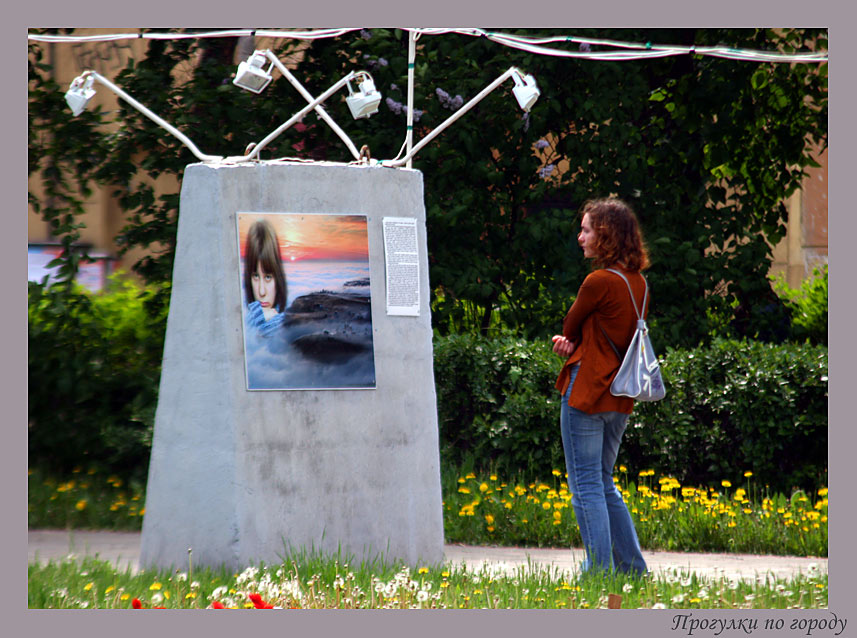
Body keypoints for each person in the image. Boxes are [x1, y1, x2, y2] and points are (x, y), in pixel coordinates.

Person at [551, 196, 650, 577]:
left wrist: (568, 341)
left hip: (587, 391)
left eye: (588, 229)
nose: (581, 237)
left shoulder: (597, 281)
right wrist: (574, 340)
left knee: (586, 484)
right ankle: (632, 569)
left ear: (605, 234)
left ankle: (599, 571)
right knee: (605, 482)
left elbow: (571, 324)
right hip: (620, 397)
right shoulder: (639, 284)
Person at [243, 218, 288, 337]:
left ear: (278, 277)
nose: (261, 291)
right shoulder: (240, 313)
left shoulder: (288, 317)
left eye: (268, 277)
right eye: (256, 276)